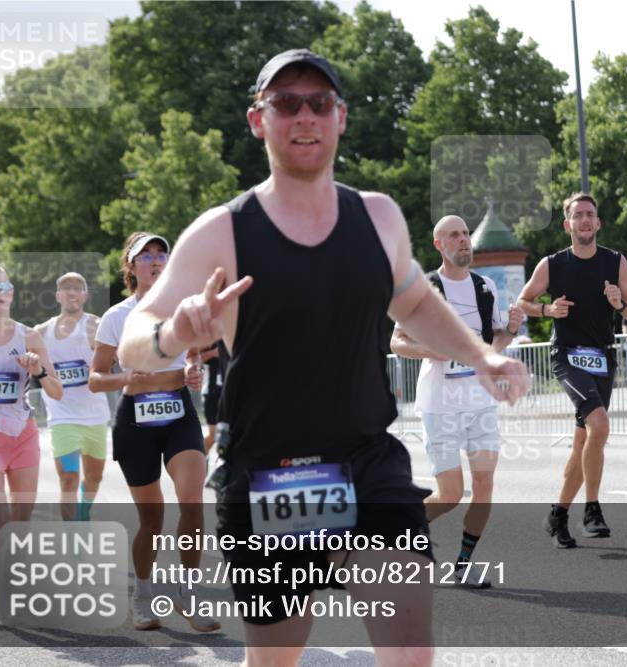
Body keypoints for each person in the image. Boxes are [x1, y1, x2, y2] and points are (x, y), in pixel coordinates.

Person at [116, 49, 528, 666]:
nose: (303, 116)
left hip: (367, 461)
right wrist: (172, 332)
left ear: (340, 118)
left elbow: (414, 302)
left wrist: (483, 356)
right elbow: (135, 337)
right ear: (259, 119)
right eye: (286, 103)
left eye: (318, 103)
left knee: (412, 651)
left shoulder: (379, 217)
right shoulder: (221, 232)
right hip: (265, 476)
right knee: (277, 660)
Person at [89, 232, 218, 633]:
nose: (156, 260)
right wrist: (127, 376)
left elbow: (194, 353)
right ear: (130, 267)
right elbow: (95, 379)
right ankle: (142, 594)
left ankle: (189, 592)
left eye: (162, 253)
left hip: (179, 413)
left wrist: (194, 372)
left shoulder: (184, 309)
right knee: (152, 519)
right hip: (136, 422)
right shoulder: (116, 316)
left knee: (193, 501)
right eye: (146, 255)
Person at [390, 215, 525, 589]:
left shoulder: (485, 289)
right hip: (440, 404)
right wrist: (428, 349)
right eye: (454, 235)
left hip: (479, 402)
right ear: (439, 245)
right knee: (450, 494)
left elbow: (490, 347)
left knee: (484, 485)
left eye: (466, 233)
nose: (464, 240)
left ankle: (463, 565)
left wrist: (511, 330)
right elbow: (396, 342)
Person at [517, 193, 627, 548]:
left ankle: (557, 515)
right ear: (567, 224)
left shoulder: (615, 262)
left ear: (598, 223)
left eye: (591, 215)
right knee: (599, 424)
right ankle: (592, 510)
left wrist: (620, 304)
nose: (585, 220)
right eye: (578, 215)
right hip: (568, 356)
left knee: (584, 441)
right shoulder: (553, 264)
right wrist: (547, 311)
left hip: (603, 357)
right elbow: (523, 302)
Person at [0, 266, 63, 609]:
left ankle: (4, 576)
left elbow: (57, 390)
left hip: (21, 435)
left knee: (19, 522)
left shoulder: (30, 337)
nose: (1, 292)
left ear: (12, 294)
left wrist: (38, 371)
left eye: (6, 286)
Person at [35, 272, 111, 521]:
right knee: (68, 479)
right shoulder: (41, 332)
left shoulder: (97, 326)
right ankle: (72, 537)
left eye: (77, 288)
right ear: (58, 296)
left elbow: (117, 358)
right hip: (61, 416)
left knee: (94, 478)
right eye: (66, 288)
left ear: (85, 295)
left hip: (95, 417)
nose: (71, 292)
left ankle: (84, 512)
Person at [198, 340, 228, 457]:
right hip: (212, 392)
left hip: (229, 391)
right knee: (214, 434)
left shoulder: (234, 336)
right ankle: (198, 462)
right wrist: (214, 353)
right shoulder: (210, 338)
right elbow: (192, 359)